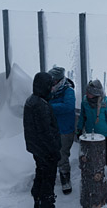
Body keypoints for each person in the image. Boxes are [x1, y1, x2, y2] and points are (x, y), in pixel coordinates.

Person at [76, 79, 107, 194]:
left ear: (96, 94)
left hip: (105, 137)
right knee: (91, 160)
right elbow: (82, 116)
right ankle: (94, 180)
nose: (87, 94)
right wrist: (79, 129)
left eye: (89, 92)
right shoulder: (85, 102)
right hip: (90, 137)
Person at [23, 72, 61, 208]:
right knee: (47, 179)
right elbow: (46, 133)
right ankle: (46, 202)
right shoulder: (40, 105)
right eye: (50, 86)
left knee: (40, 173)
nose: (51, 89)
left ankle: (38, 199)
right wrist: (55, 150)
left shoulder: (32, 100)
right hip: (46, 152)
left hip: (37, 149)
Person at [47, 66, 76, 195]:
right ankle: (52, 177)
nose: (51, 82)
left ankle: (65, 180)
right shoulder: (51, 90)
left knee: (62, 155)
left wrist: (48, 107)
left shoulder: (68, 91)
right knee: (52, 154)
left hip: (65, 129)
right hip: (53, 128)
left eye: (53, 80)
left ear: (59, 80)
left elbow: (68, 106)